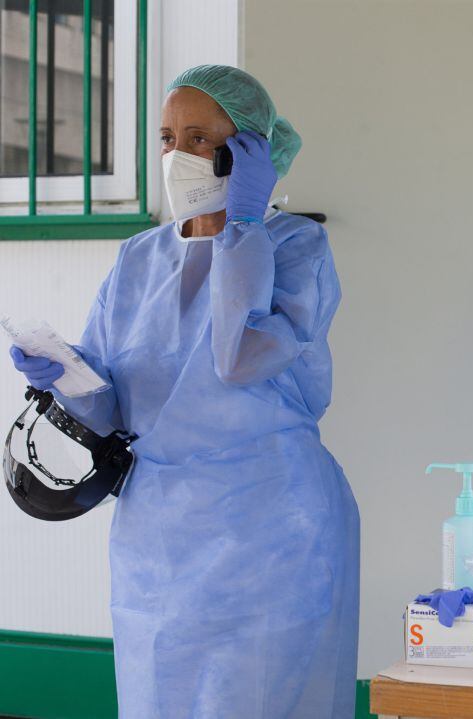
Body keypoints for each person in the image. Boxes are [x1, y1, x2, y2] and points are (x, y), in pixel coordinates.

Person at [9, 65, 359, 717]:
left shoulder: (296, 246)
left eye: (200, 138)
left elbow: (240, 355)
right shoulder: (140, 258)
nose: (177, 155)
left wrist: (245, 226)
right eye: (168, 137)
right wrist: (66, 379)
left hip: (269, 531)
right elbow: (117, 404)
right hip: (159, 536)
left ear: (248, 150)